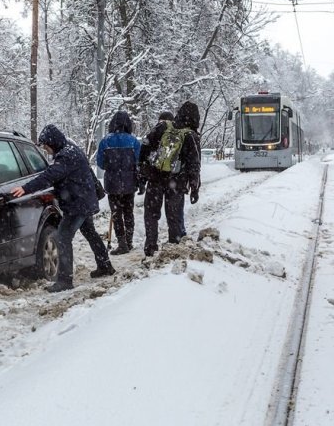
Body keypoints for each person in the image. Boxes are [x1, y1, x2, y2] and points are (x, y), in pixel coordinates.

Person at [11, 124, 115, 292]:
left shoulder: (66, 157)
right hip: (84, 200)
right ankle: (105, 265)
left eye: (46, 146)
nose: (46, 150)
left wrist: (26, 188)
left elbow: (50, 176)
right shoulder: (71, 150)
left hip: (77, 204)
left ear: (52, 142)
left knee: (62, 237)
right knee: (90, 233)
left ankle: (65, 280)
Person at [138, 102, 201, 258]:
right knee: (174, 216)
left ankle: (151, 246)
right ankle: (173, 247)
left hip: (155, 178)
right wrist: (194, 188)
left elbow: (145, 147)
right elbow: (194, 165)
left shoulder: (162, 127)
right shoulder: (191, 136)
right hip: (176, 183)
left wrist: (143, 173)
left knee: (151, 214)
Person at [96, 111, 141, 255]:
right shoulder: (134, 142)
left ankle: (122, 243)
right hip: (130, 183)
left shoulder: (105, 141)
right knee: (129, 212)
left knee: (116, 213)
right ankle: (129, 241)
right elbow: (138, 162)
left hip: (113, 184)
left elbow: (101, 164)